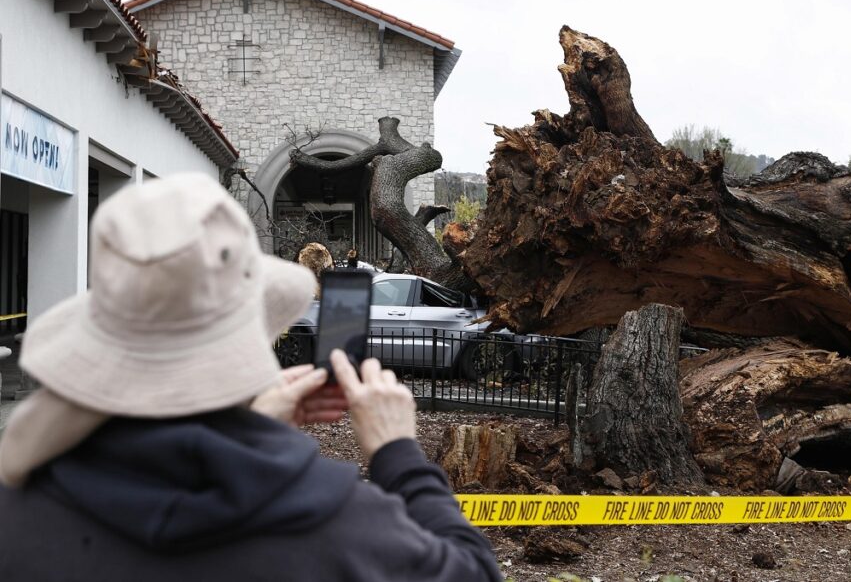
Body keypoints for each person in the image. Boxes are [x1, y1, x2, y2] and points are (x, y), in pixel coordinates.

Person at [0, 173, 502, 582]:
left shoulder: (18, 511)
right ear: (243, 337)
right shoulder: (341, 527)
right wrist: (398, 453)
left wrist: (255, 427)